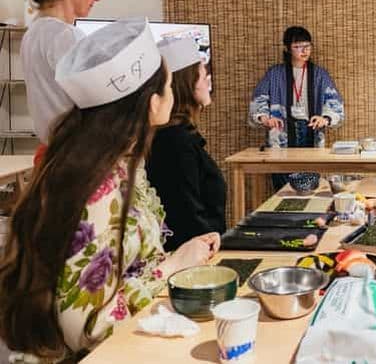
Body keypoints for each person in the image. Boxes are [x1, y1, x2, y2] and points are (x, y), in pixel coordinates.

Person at [0, 19, 220, 362]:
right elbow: (88, 327)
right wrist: (175, 264)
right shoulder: (97, 188)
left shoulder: (122, 165)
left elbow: (130, 268)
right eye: (167, 85)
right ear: (151, 104)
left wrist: (182, 256)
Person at [20, 0, 109, 155]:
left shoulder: (33, 32)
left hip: (55, 154)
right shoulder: (66, 35)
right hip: (78, 157)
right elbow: (101, 104)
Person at [146, 37, 226, 252]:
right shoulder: (174, 142)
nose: (208, 81)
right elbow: (187, 216)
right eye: (202, 75)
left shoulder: (181, 135)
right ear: (187, 83)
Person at [248, 27, 344, 188]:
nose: (304, 50)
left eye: (307, 46)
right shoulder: (275, 74)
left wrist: (325, 118)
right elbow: (259, 99)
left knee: (311, 186)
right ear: (287, 48)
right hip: (282, 133)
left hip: (310, 132)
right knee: (282, 188)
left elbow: (334, 103)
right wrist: (264, 118)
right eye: (298, 47)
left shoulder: (319, 74)